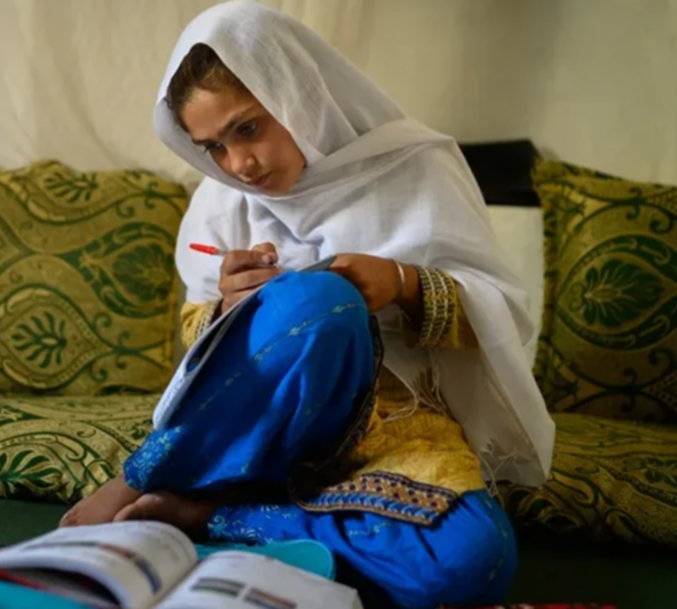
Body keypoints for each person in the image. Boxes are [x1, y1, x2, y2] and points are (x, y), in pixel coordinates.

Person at [61, 2, 555, 608]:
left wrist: (403, 282)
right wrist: (227, 309)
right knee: (318, 300)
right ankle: (147, 475)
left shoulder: (416, 167)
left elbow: (502, 316)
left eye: (248, 129)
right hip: (265, 428)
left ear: (296, 94)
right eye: (213, 147)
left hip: (395, 426)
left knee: (472, 560)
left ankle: (212, 515)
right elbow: (197, 343)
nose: (239, 164)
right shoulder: (223, 201)